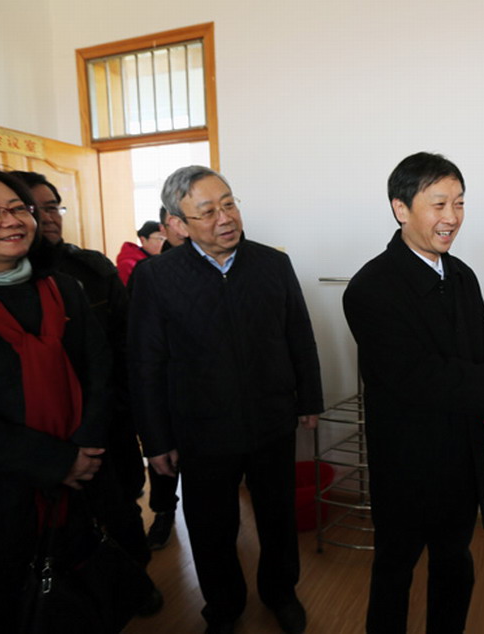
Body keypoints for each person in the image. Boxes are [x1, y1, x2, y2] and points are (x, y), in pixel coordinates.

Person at [127, 165, 324, 634]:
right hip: (201, 429)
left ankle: (281, 593)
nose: (225, 218)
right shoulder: (156, 277)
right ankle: (223, 607)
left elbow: (299, 334)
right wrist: (156, 440)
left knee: (277, 517)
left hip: (271, 418)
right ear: (178, 224)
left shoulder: (272, 263)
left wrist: (309, 398)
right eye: (208, 211)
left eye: (229, 203)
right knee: (212, 527)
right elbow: (145, 364)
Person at [343, 152, 484, 634]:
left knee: (454, 561)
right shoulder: (369, 288)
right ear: (401, 209)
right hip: (406, 462)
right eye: (439, 204)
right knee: (394, 569)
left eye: (459, 203)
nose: (452, 217)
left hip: (463, 453)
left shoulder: (461, 274)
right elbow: (420, 377)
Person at [0, 160, 110, 632]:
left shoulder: (63, 287)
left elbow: (100, 371)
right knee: (10, 609)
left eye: (19, 208)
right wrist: (59, 462)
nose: (12, 220)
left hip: (84, 476)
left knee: (83, 596)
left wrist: (87, 448)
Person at [10, 171, 159, 582]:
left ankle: (137, 582)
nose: (47, 217)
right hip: (37, 436)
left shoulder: (89, 270)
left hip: (106, 420)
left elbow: (126, 347)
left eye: (53, 207)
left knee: (122, 506)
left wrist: (122, 413)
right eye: (32, 208)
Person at [141, 205, 185, 550]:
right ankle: (163, 512)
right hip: (167, 391)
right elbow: (142, 356)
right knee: (164, 465)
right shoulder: (150, 274)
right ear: (168, 224)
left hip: (206, 397)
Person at [116, 220, 165, 284]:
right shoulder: (128, 264)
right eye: (161, 239)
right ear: (143, 240)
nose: (165, 243)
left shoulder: (160, 259)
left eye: (166, 239)